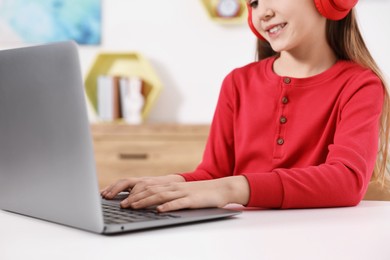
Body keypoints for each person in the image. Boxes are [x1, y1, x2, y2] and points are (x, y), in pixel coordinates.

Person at [101, 0, 390, 212]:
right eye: (253, 2)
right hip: (241, 240)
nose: (262, 12)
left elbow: (347, 180)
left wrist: (233, 187)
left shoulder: (360, 85)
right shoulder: (237, 83)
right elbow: (213, 174)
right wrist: (165, 185)